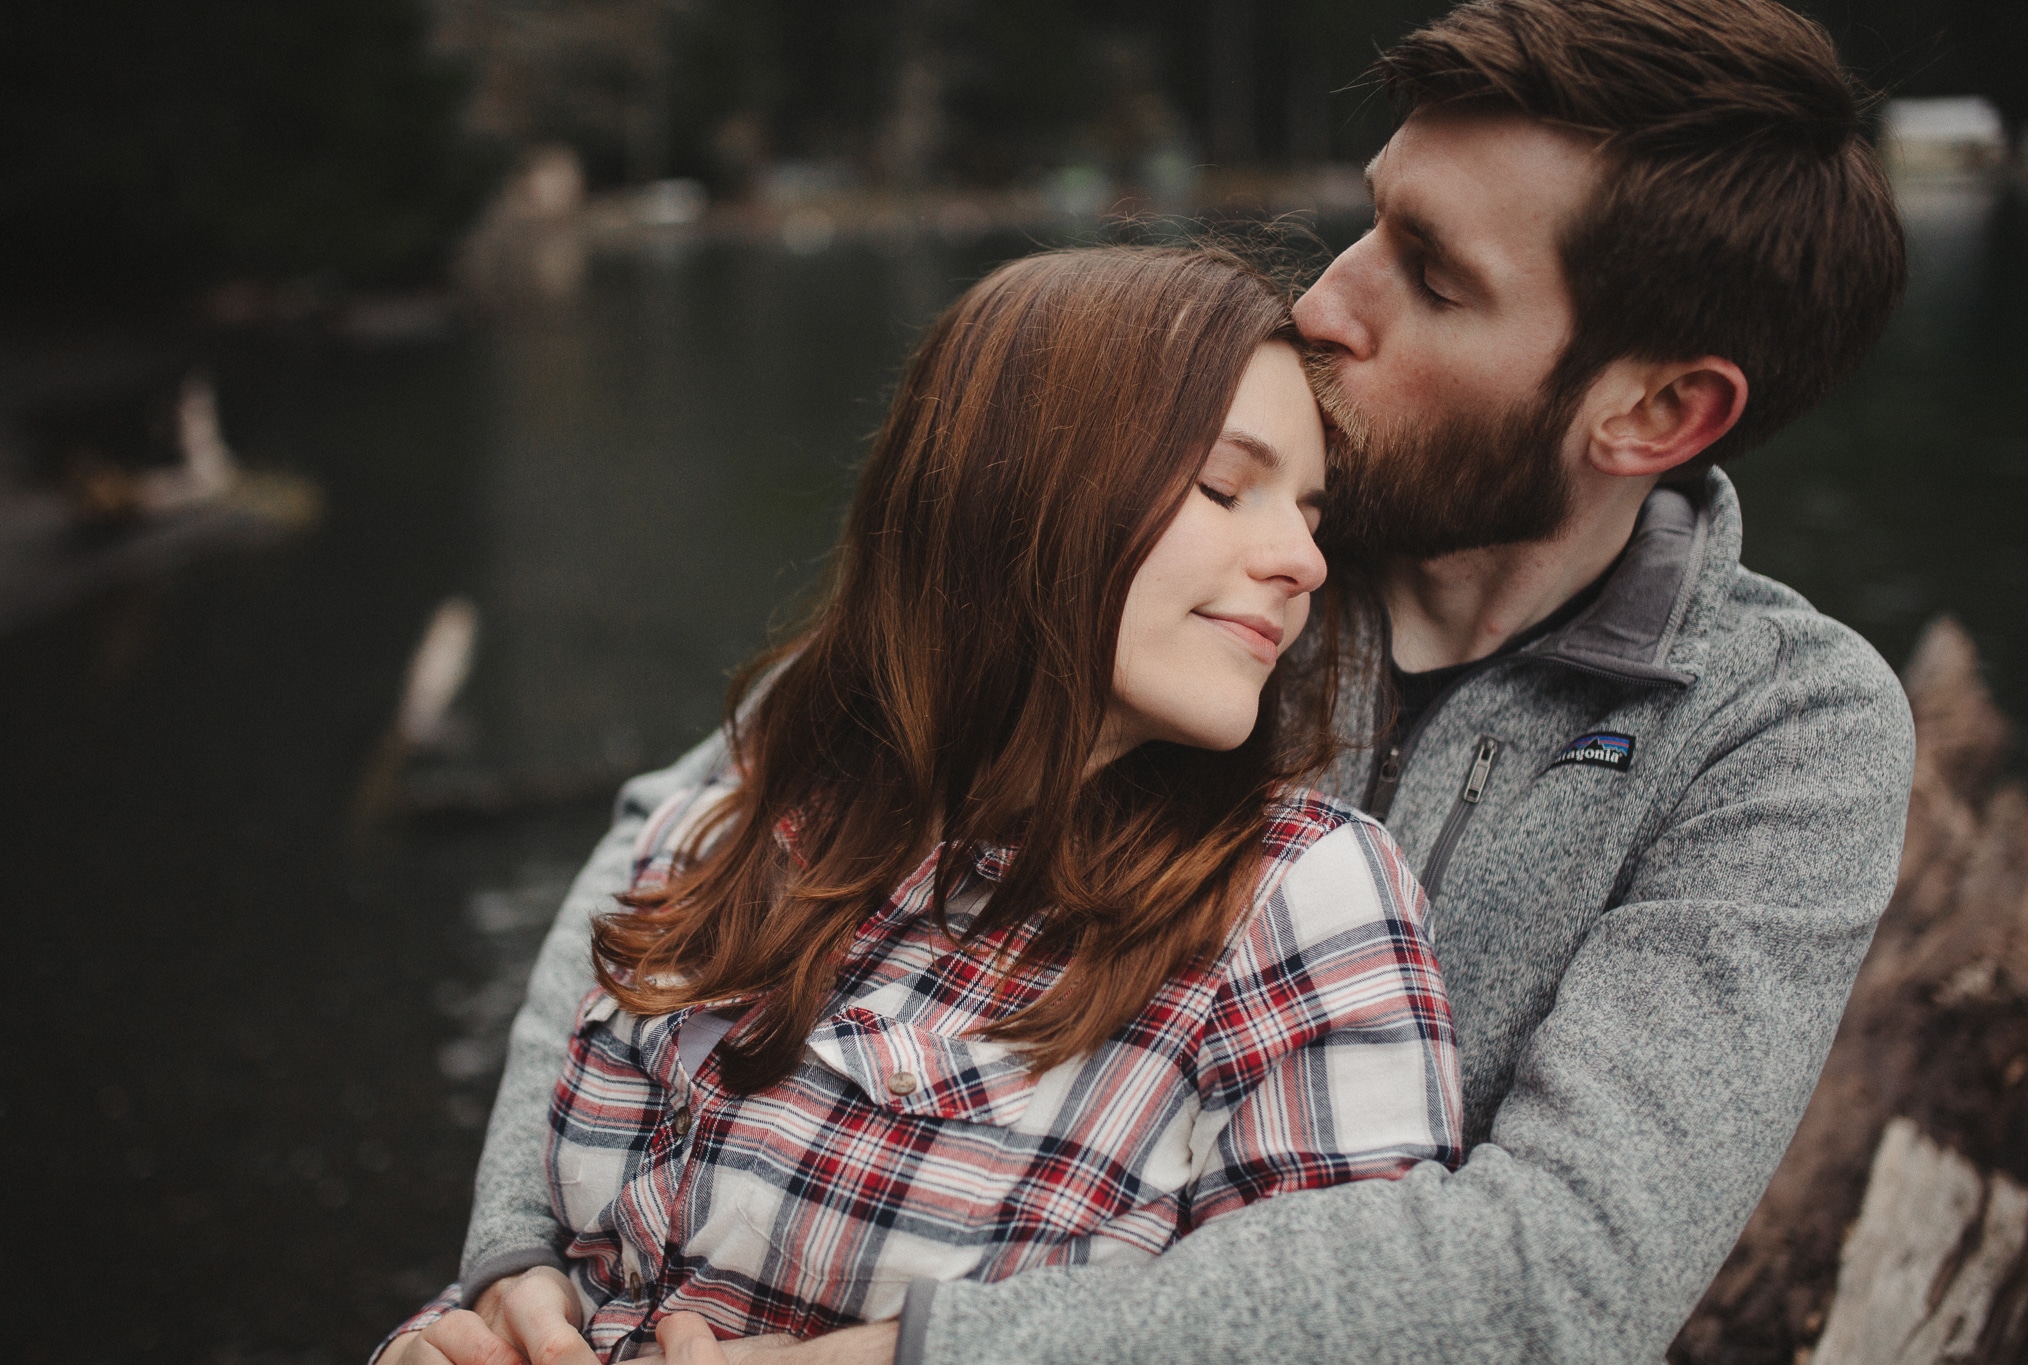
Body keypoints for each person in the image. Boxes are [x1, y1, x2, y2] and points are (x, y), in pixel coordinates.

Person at [397, 0, 1918, 1360]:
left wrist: (917, 1358)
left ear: (1654, 410)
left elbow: (1560, 1276)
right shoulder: (1153, 547)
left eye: (1434, 280)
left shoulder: (1780, 730)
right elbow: (684, 840)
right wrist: (524, 1265)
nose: (1327, 301)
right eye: (1373, 219)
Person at [381, 247, 1464, 1363]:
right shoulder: (723, 835)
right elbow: (578, 1273)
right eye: (1226, 489)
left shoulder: (1296, 903)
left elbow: (1362, 1330)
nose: (1302, 561)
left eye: (1310, 512)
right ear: (1017, 492)